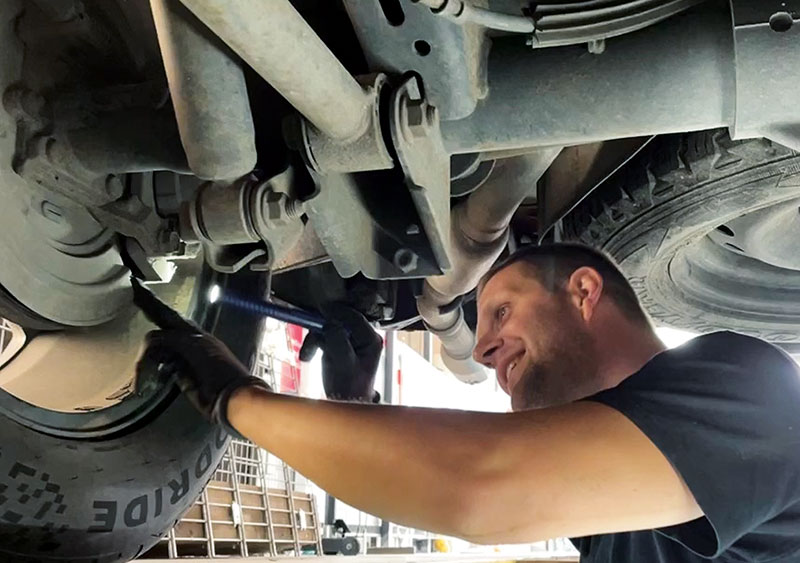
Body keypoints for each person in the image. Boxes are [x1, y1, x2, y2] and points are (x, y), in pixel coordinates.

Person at [134, 243, 800, 563]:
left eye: (502, 311)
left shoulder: (755, 385)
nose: (483, 350)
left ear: (584, 290)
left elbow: (479, 484)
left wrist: (238, 398)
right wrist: (355, 402)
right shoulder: (617, 501)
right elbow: (462, 480)